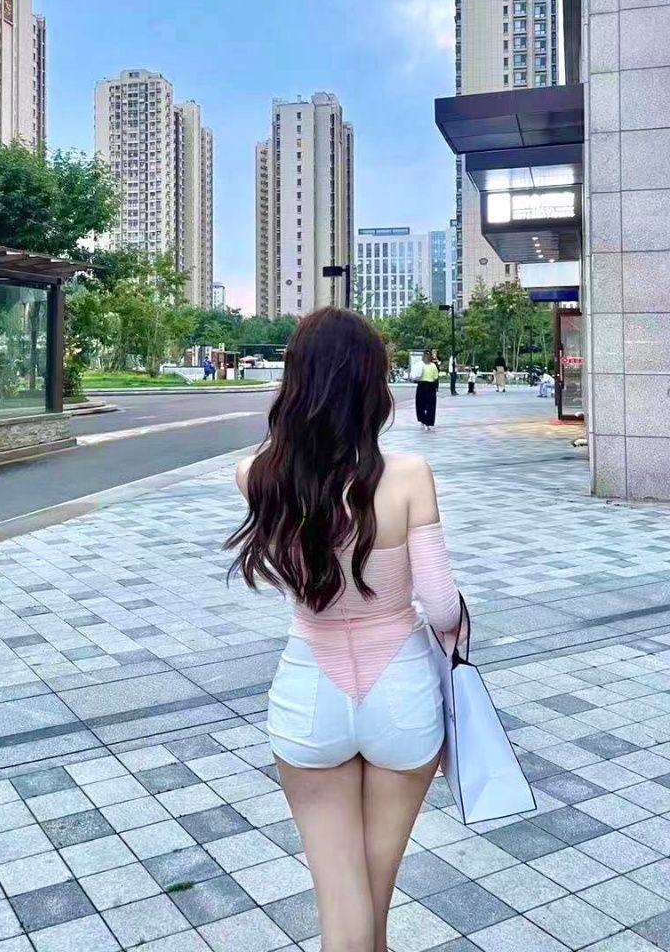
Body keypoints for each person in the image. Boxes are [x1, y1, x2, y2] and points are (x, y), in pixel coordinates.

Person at [227, 309, 460, 952]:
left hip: (309, 693)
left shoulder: (257, 475)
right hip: (402, 692)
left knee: (343, 904)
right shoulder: (408, 475)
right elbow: (442, 609)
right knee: (371, 905)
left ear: (296, 381)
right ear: (372, 385)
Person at [414, 349, 440, 430]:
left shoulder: (420, 364)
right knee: (430, 405)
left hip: (422, 385)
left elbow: (416, 376)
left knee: (420, 404)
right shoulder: (433, 365)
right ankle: (428, 422)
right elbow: (436, 377)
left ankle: (422, 419)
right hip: (431, 386)